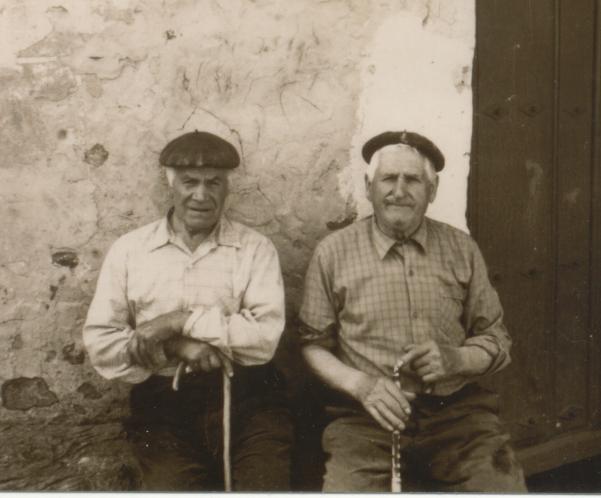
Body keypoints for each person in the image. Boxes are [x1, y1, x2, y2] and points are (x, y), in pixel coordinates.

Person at [298, 130, 527, 492]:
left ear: (432, 191)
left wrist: (456, 359)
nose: (399, 191)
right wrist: (362, 386)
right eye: (388, 178)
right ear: (369, 187)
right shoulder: (333, 253)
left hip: (458, 420)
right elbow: (313, 345)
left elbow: (495, 338)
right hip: (366, 420)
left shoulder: (461, 248)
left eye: (413, 180)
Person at [83, 131, 293, 491]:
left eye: (214, 183)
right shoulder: (130, 251)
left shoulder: (255, 249)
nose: (201, 195)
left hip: (249, 398)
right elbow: (102, 345)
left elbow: (264, 338)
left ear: (227, 188)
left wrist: (179, 320)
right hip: (164, 405)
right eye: (189, 182)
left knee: (263, 485)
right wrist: (175, 347)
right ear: (170, 185)